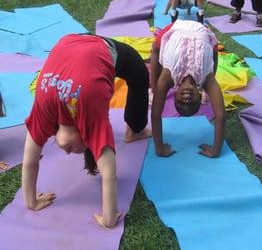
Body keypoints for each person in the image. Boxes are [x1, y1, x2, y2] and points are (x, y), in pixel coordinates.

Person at [21, 33, 150, 228]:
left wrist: (108, 220)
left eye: (71, 149)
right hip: (72, 44)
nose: (65, 149)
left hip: (89, 45)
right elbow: (29, 161)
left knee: (141, 74)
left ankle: (135, 130)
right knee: (138, 73)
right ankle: (135, 129)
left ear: (87, 134)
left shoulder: (87, 114)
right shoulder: (45, 109)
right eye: (72, 149)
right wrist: (31, 202)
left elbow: (109, 172)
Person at [150, 20, 225, 158]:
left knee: (155, 49)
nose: (186, 99)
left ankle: (153, 89)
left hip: (175, 29)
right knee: (212, 57)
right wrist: (216, 151)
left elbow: (155, 114)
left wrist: (160, 149)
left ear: (175, 95)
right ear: (198, 93)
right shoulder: (207, 80)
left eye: (181, 102)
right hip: (202, 32)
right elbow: (220, 115)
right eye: (191, 103)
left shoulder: (167, 78)